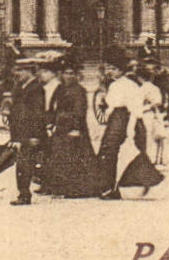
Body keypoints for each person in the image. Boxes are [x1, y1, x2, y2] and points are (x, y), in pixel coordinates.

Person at [98, 48, 163, 199]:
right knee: (108, 152)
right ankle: (108, 186)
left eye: (114, 69)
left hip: (123, 119)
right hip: (115, 118)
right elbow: (111, 105)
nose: (111, 71)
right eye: (109, 68)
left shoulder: (127, 85)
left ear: (122, 70)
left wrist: (131, 128)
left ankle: (111, 187)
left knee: (110, 152)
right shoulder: (115, 85)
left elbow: (134, 107)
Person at [40, 56, 102, 198]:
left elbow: (79, 111)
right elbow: (53, 106)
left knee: (75, 157)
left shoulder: (79, 90)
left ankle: (77, 188)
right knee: (58, 156)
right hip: (60, 127)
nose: (68, 76)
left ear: (76, 75)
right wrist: (50, 122)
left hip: (73, 128)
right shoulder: (60, 89)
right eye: (65, 73)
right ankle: (56, 187)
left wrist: (76, 128)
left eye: (71, 73)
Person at [6, 58, 47, 206]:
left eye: (22, 70)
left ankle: (24, 194)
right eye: (18, 70)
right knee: (23, 162)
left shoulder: (36, 88)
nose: (18, 73)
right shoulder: (20, 87)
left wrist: (35, 135)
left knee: (25, 163)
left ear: (30, 71)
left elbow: (37, 114)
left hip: (30, 133)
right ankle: (24, 192)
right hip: (20, 131)